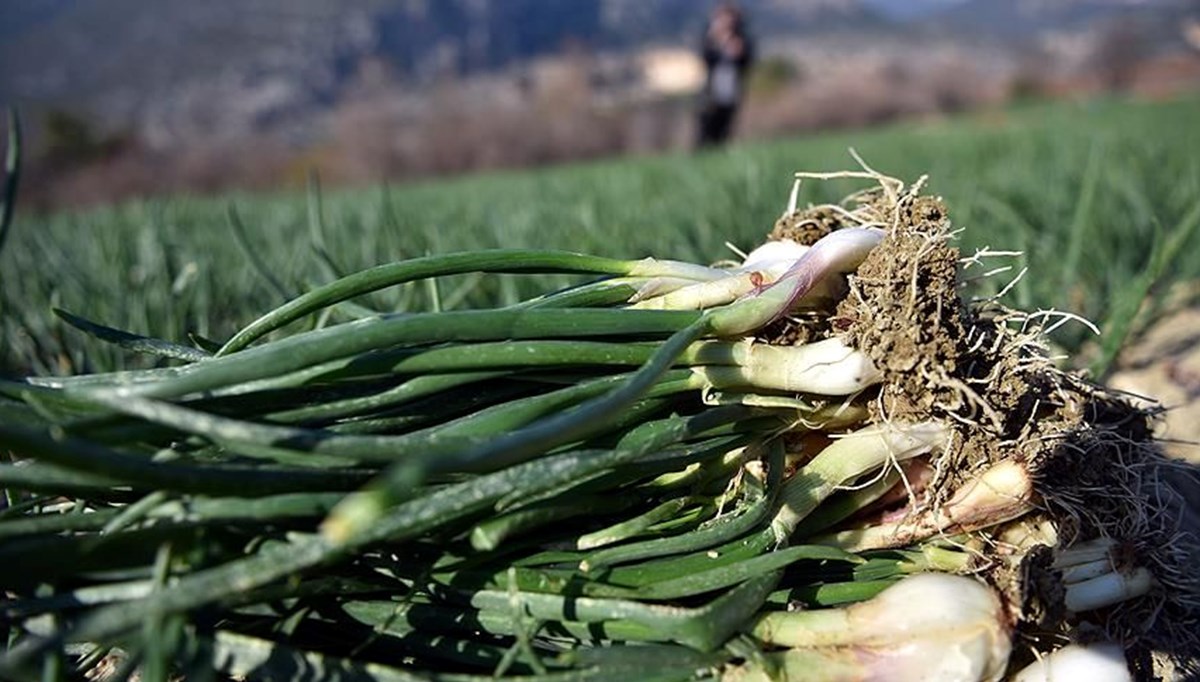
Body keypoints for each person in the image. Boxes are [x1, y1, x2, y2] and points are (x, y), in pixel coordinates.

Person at [697, 2, 754, 148]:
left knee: (725, 127)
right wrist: (720, 44)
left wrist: (738, 52)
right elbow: (706, 58)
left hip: (732, 89)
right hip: (712, 91)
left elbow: (747, 61)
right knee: (706, 127)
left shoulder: (741, 39)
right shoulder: (710, 38)